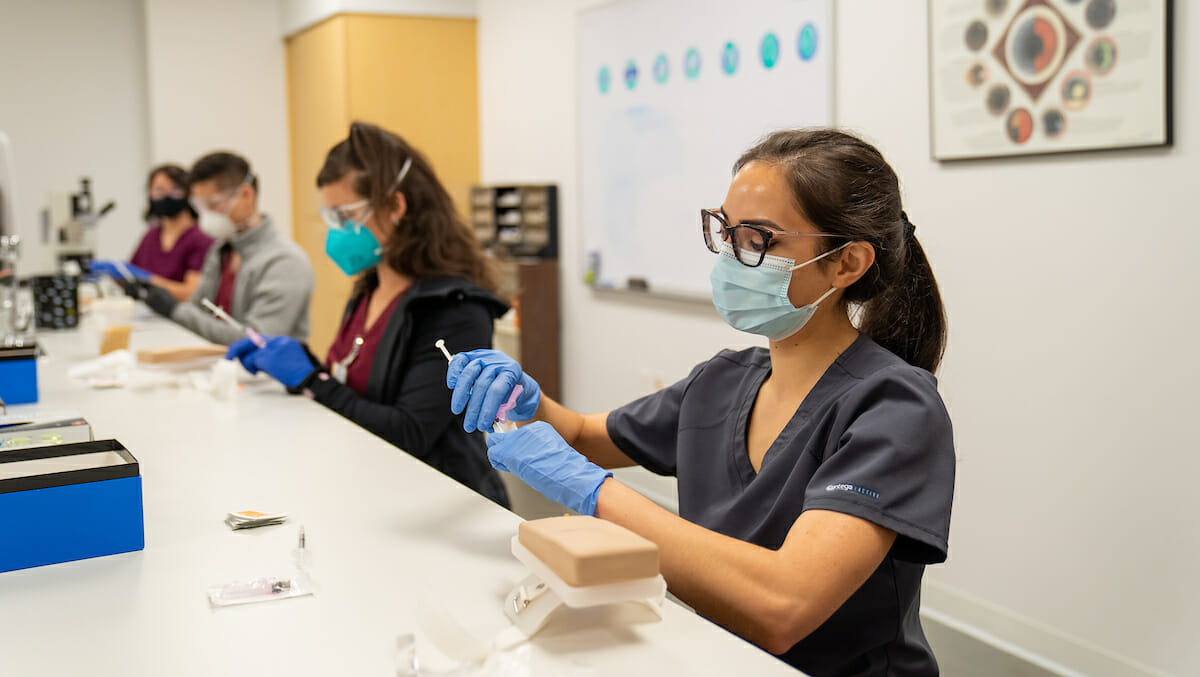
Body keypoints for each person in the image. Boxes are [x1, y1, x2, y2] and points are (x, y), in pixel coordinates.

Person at [447, 129, 955, 675]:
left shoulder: (895, 407)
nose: (734, 257)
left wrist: (596, 494)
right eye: (727, 232)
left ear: (846, 263)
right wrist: (530, 400)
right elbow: (582, 437)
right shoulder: (723, 381)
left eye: (760, 239)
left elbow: (782, 608)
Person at [226, 122, 510, 507]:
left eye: (347, 216)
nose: (338, 231)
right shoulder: (369, 288)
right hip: (371, 487)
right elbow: (349, 384)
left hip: (439, 503)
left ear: (395, 206)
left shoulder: (455, 311)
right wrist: (292, 360)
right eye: (332, 218)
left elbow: (409, 433)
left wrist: (310, 378)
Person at [132, 152, 314, 345]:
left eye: (213, 204)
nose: (206, 215)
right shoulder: (221, 251)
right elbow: (197, 310)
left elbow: (256, 341)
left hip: (267, 373)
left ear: (246, 195)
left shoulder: (284, 262)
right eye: (199, 205)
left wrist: (174, 309)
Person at [91, 164, 213, 302]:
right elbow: (132, 278)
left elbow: (191, 293)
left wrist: (148, 279)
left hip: (181, 318)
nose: (166, 196)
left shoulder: (200, 239)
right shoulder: (152, 236)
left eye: (175, 189)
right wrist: (115, 274)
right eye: (159, 190)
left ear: (188, 193)